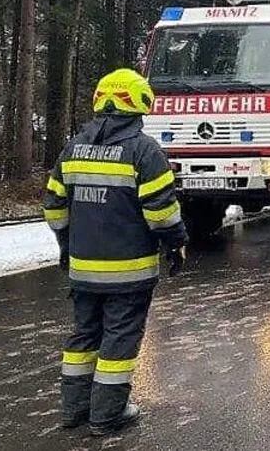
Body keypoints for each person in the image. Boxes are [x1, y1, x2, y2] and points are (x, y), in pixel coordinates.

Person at [42, 68, 187, 436]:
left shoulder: (74, 147)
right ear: (140, 105)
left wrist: (65, 244)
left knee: (83, 337)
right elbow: (161, 212)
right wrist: (176, 245)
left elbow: (53, 205)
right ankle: (107, 415)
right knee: (119, 341)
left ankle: (73, 411)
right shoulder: (144, 151)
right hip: (129, 272)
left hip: (83, 270)